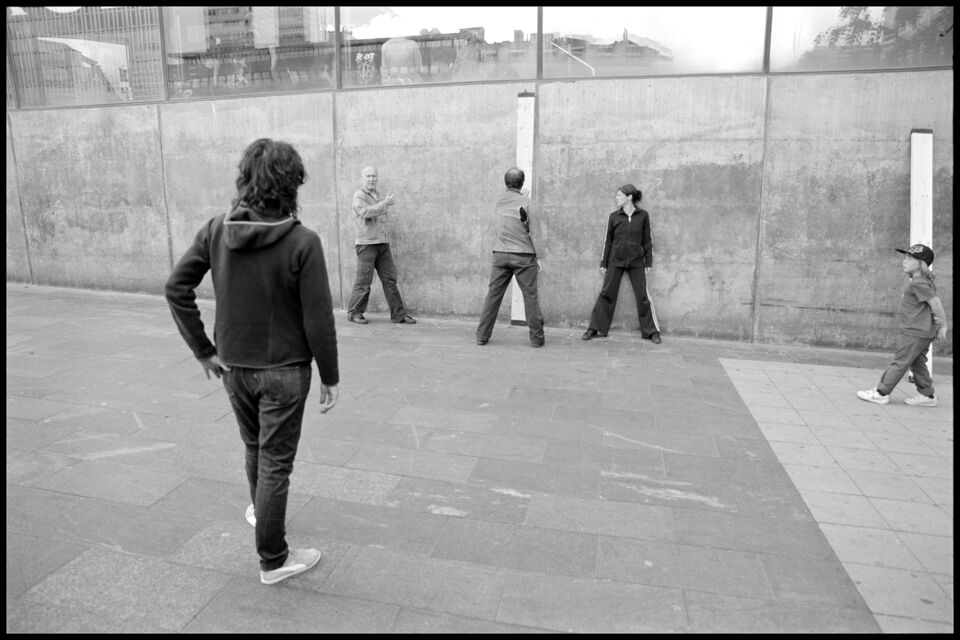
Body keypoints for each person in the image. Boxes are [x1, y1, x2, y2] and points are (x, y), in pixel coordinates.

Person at [165, 138, 339, 585]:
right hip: (285, 370)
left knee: (255, 449)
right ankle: (274, 560)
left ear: (245, 179)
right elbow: (318, 318)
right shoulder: (302, 241)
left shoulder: (216, 230)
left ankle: (263, 514)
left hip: (234, 369)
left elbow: (176, 287)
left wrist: (204, 349)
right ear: (292, 183)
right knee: (276, 461)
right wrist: (330, 375)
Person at [857, 244, 948, 406]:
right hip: (922, 331)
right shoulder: (923, 281)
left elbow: (936, 303)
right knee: (917, 363)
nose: (904, 261)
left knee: (900, 362)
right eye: (904, 258)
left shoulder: (918, 283)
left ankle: (881, 393)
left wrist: (944, 325)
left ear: (921, 264)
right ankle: (927, 395)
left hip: (915, 332)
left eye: (909, 259)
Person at [582, 183, 662, 343]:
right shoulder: (614, 217)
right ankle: (594, 328)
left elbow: (647, 240)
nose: (616, 198)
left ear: (629, 197)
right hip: (615, 261)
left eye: (619, 195)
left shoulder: (643, 216)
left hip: (637, 262)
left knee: (643, 296)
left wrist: (648, 262)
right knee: (606, 293)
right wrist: (604, 263)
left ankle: (652, 331)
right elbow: (608, 241)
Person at [476, 167, 545, 348]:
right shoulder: (528, 203)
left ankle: (482, 336)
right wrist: (539, 257)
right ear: (522, 184)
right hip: (524, 256)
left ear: (505, 183)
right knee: (530, 297)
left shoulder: (496, 203)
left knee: (493, 296)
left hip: (500, 254)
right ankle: (537, 339)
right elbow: (535, 232)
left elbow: (498, 225)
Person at [345, 166, 417, 325]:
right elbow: (365, 212)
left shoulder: (378, 195)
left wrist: (383, 203)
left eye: (374, 176)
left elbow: (380, 216)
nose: (371, 179)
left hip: (382, 244)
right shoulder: (359, 195)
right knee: (364, 282)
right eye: (368, 176)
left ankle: (399, 315)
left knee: (390, 280)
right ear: (362, 178)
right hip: (366, 245)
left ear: (377, 178)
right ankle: (354, 313)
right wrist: (384, 203)